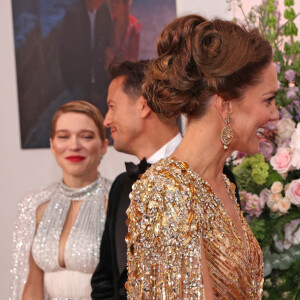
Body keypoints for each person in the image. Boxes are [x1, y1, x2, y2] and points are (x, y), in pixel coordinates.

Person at [126, 15, 279, 299]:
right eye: (268, 100)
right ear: (226, 104)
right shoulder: (167, 191)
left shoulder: (222, 183)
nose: (275, 114)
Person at [91, 60, 241, 299]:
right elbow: (105, 282)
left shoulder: (212, 175)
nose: (106, 119)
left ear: (143, 106)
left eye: (112, 106)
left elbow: (227, 277)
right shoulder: (121, 185)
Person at [10, 100, 112, 300]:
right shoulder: (35, 206)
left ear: (103, 146)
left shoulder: (117, 202)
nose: (74, 145)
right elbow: (32, 285)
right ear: (52, 146)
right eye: (63, 136)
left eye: (86, 136)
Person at [59, 0, 113, 115]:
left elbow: (108, 35)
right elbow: (65, 52)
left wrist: (108, 50)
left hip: (100, 78)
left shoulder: (103, 10)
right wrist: (72, 85)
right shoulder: (74, 15)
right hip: (81, 81)